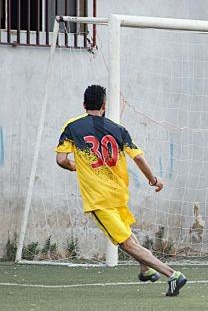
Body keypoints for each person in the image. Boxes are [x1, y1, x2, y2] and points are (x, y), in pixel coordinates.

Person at [55, 85, 187, 296]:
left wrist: (76, 166)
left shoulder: (73, 127)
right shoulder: (118, 129)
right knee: (127, 235)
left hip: (99, 199)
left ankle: (172, 275)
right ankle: (145, 269)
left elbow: (61, 160)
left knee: (125, 243)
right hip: (118, 193)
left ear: (84, 105)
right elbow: (138, 157)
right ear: (104, 106)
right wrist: (153, 180)